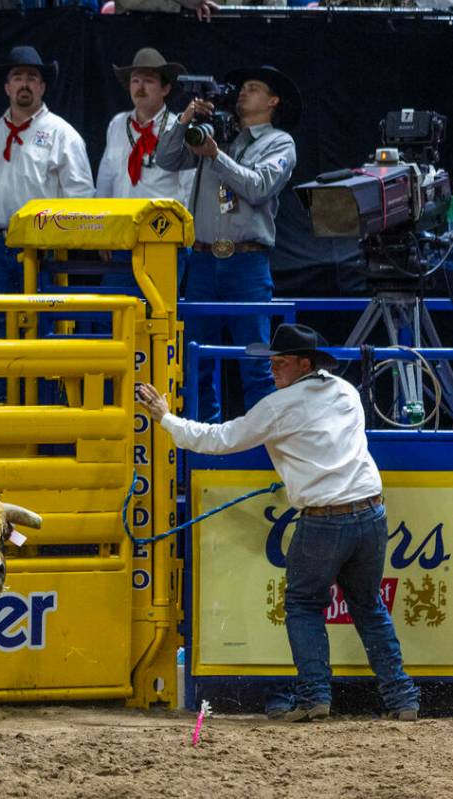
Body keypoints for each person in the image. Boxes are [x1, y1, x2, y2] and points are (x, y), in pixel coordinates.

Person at [136, 323, 421, 723]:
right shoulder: (346, 393)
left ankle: (314, 697)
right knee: (369, 606)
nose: (273, 370)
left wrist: (166, 419)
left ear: (304, 364)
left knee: (304, 605)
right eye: (272, 363)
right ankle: (402, 698)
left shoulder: (277, 407)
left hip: (325, 518)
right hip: (370, 512)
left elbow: (219, 439)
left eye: (280, 363)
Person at [155, 65, 299, 423]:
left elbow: (259, 187)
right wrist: (185, 119)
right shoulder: (217, 132)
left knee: (256, 364)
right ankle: (204, 446)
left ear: (273, 100)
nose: (243, 92)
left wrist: (215, 155)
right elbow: (166, 158)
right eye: (242, 88)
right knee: (196, 361)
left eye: (253, 88)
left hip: (246, 264)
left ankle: (258, 452)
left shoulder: (279, 142)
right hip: (202, 260)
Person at [0, 45, 95, 401]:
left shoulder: (62, 133)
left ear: (43, 87)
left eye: (33, 77)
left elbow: (80, 195)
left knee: (43, 327)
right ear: (6, 87)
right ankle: (3, 405)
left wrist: (58, 237)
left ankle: (43, 411)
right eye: (17, 77)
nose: (25, 84)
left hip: (43, 249)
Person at [96, 47, 194, 290]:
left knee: (157, 316)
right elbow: (106, 181)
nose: (140, 87)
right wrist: (102, 232)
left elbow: (187, 189)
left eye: (148, 81)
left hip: (162, 240)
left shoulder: (179, 128)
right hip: (121, 239)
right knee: (116, 316)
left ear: (165, 88)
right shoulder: (117, 125)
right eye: (135, 80)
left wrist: (176, 236)